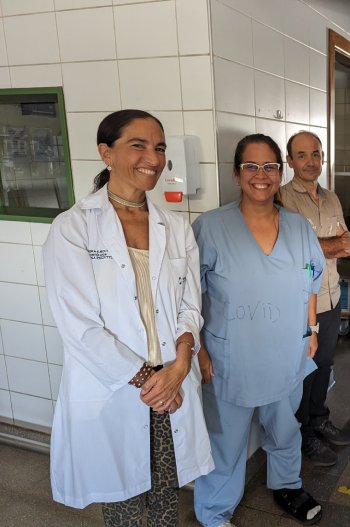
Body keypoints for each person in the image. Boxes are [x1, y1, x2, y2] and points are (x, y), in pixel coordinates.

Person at [43, 109, 214, 526]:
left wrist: (180, 363)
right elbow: (80, 327)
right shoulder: (73, 228)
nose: (152, 158)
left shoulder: (175, 227)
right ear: (106, 153)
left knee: (166, 501)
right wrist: (153, 383)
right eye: (138, 145)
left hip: (170, 381)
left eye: (159, 148)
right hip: (121, 387)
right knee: (123, 505)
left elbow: (191, 306)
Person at [193, 134, 325, 527]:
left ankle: (287, 485)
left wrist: (312, 328)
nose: (261, 175)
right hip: (229, 358)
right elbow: (188, 295)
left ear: (280, 172)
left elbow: (311, 277)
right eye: (251, 166)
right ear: (237, 173)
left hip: (287, 349)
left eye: (269, 166)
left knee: (285, 427)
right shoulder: (210, 227)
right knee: (226, 441)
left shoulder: (299, 227)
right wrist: (198, 350)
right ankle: (214, 513)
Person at [280, 131, 350, 467]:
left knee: (324, 364)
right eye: (302, 155)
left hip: (331, 296)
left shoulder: (332, 197)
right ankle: (303, 433)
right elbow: (296, 251)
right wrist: (331, 247)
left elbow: (345, 240)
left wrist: (333, 245)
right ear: (290, 160)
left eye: (316, 154)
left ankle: (319, 418)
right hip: (301, 305)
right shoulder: (283, 200)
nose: (311, 161)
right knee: (304, 371)